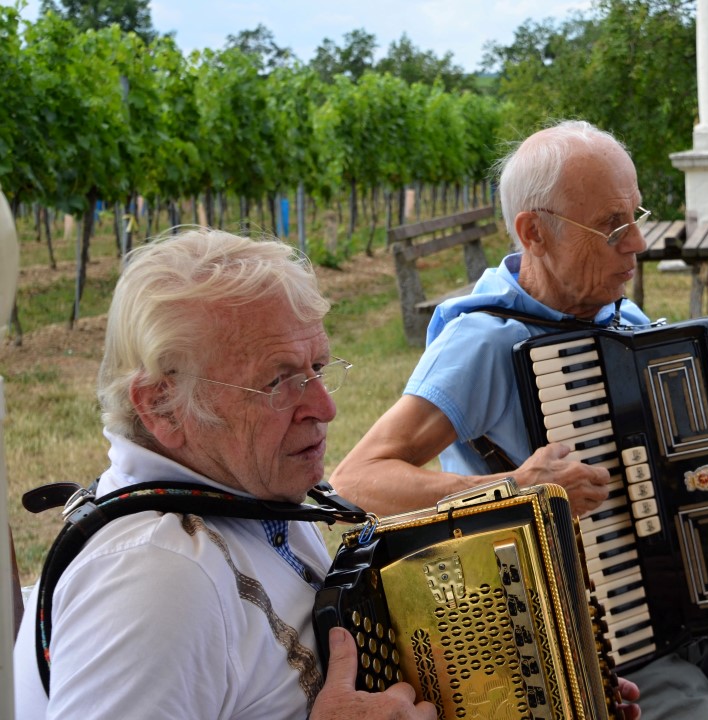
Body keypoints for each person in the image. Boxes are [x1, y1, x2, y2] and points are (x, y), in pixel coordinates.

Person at [330, 119, 708, 720]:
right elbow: (356, 480)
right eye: (612, 225)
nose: (637, 242)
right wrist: (513, 489)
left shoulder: (626, 323)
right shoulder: (483, 342)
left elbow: (674, 480)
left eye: (635, 215)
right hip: (600, 651)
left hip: (706, 627)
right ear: (534, 232)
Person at [12, 228, 437, 719]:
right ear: (164, 406)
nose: (325, 407)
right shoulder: (156, 579)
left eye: (318, 367)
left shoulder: (249, 492)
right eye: (278, 381)